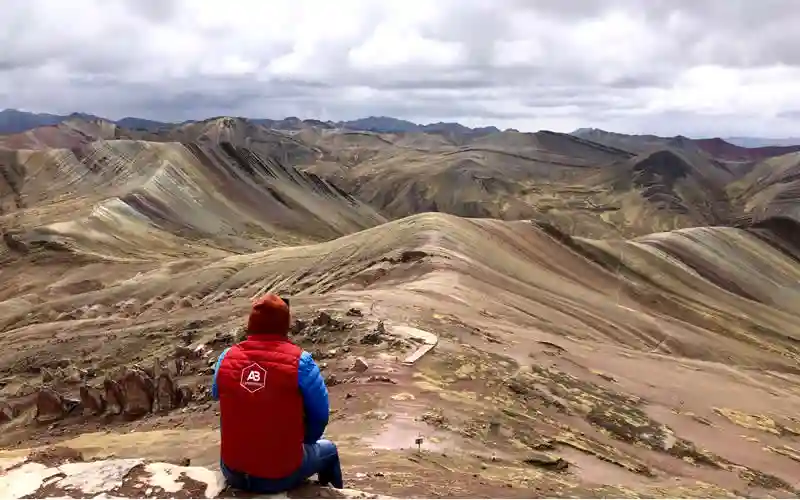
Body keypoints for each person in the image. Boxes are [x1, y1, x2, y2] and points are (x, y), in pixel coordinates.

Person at [211, 293, 343, 493]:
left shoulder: (226, 357)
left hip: (232, 470)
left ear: (251, 323)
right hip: (279, 475)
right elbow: (320, 415)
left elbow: (217, 393)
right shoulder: (301, 362)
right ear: (285, 324)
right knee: (329, 451)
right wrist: (305, 442)